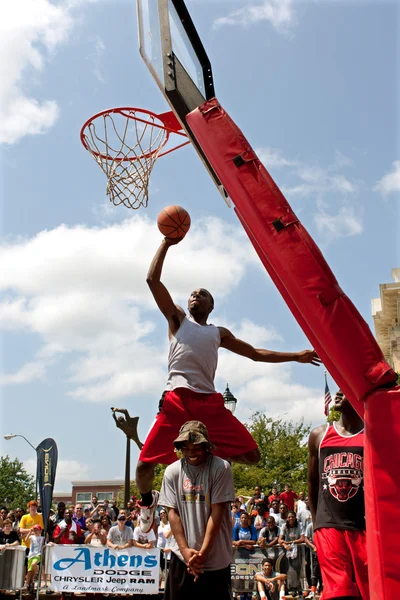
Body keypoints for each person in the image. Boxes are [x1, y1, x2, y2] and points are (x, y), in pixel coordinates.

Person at [136, 238, 321, 530]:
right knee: (143, 467)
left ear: (211, 305)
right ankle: (147, 503)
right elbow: (151, 279)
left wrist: (296, 356)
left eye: (203, 294)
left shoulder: (218, 333)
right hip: (177, 399)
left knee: (253, 455)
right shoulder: (177, 321)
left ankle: (204, 453)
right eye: (193, 293)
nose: (196, 294)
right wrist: (166, 242)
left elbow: (255, 354)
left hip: (208, 402)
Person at [158, 420, 235, 600]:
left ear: (206, 446)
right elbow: (173, 513)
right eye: (186, 448)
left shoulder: (220, 468)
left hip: (215, 558)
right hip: (182, 558)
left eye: (196, 448)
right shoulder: (172, 471)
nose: (191, 453)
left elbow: (217, 512)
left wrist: (202, 554)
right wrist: (185, 551)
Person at [308, 390, 368, 600]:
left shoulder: (370, 435)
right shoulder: (319, 435)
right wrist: (317, 525)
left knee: (366, 591)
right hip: (329, 526)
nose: (339, 391)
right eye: (338, 387)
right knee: (338, 592)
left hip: (362, 527)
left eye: (346, 387)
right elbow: (312, 482)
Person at [278, 511, 304, 597]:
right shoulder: (284, 526)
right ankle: (291, 589)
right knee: (289, 570)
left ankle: (299, 590)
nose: (290, 519)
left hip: (298, 550)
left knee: (297, 570)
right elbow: (280, 539)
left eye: (292, 517)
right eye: (289, 517)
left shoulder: (299, 525)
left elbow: (302, 538)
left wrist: (291, 542)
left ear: (295, 517)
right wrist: (285, 545)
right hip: (288, 551)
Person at [304, 522, 321, 599]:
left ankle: (322, 589)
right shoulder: (310, 526)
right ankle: (313, 591)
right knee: (314, 572)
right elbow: (306, 538)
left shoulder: (323, 525)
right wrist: (313, 546)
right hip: (314, 553)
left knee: (323, 572)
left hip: (324, 553)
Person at [25, 524, 44, 593]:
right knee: (30, 571)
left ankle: (37, 572)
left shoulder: (42, 538)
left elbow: (45, 544)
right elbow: (26, 540)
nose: (36, 531)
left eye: (37, 530)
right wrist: (30, 532)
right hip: (31, 555)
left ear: (40, 531)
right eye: (35, 530)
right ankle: (28, 584)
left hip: (38, 554)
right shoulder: (32, 537)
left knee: (33, 564)